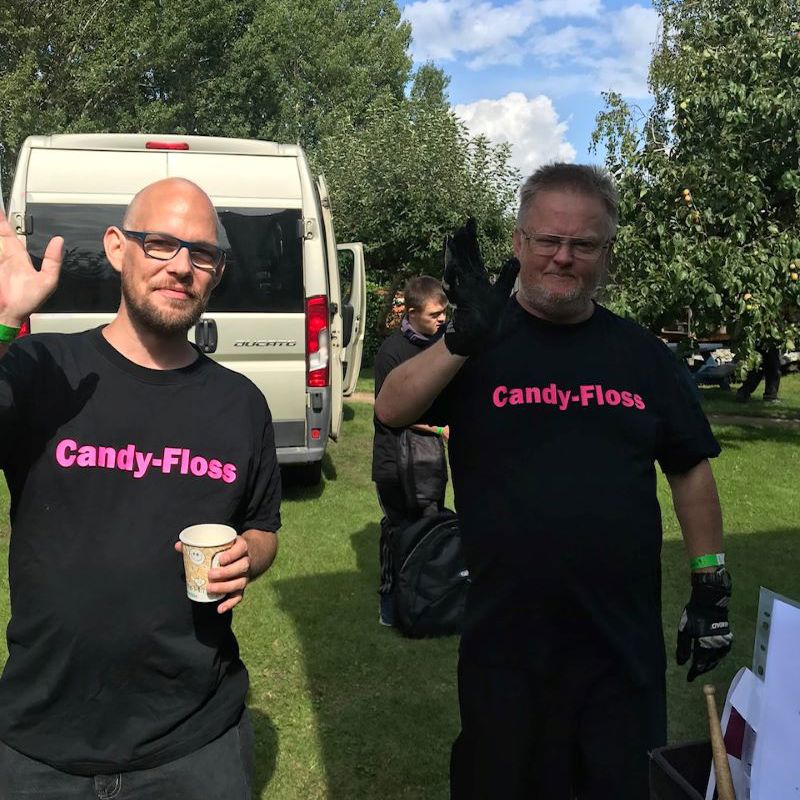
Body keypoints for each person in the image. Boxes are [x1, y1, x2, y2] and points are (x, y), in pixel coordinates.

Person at [375, 164, 733, 799]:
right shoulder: (476, 345)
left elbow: (690, 469)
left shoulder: (644, 355)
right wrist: (461, 337)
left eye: (583, 244)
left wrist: (709, 583)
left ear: (607, 254)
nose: (562, 257)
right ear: (519, 244)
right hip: (505, 643)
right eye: (547, 240)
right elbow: (393, 408)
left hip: (618, 646)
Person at [0, 178, 281, 798]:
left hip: (193, 742)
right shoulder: (42, 369)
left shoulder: (240, 403)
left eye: (201, 253)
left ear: (216, 271)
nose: (180, 266)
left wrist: (247, 556)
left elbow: (263, 528)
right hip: (41, 741)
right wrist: (1, 323)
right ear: (116, 247)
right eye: (160, 243)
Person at [372, 276, 449, 626]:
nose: (442, 319)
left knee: (430, 525)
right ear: (412, 312)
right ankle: (390, 597)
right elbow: (388, 411)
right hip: (394, 461)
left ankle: (429, 593)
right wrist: (437, 428)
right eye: (435, 314)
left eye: (445, 312)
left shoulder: (445, 344)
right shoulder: (392, 352)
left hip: (430, 458)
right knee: (400, 528)